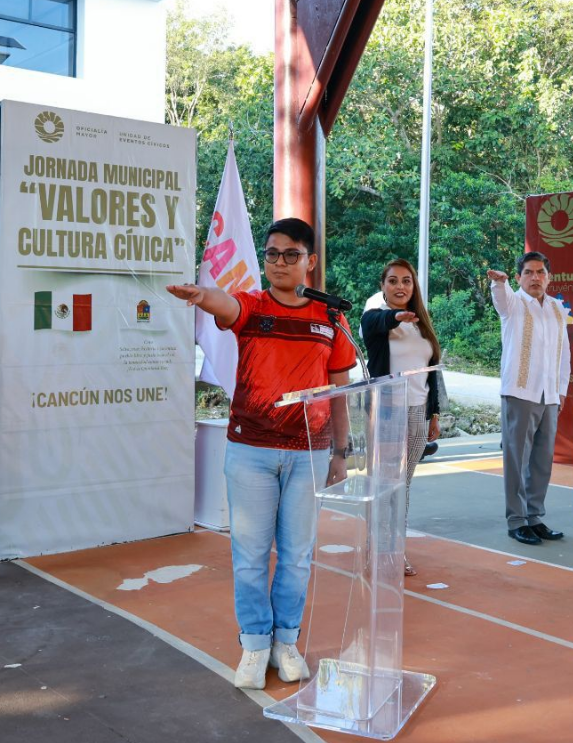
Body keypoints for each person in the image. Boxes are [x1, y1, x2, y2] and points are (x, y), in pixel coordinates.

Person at [166, 218, 354, 690]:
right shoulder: (253, 305)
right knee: (250, 554)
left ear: (310, 261)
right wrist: (201, 295)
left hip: (309, 452)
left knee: (296, 556)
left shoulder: (331, 318)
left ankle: (285, 641)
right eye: (272, 254)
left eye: (291, 254)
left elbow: (339, 388)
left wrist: (340, 450)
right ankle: (254, 644)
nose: (280, 263)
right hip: (251, 449)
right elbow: (225, 305)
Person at [361, 259, 443, 576]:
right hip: (387, 411)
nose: (400, 287)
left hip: (418, 413)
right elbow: (378, 322)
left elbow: (431, 373)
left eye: (406, 281)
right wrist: (395, 316)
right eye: (393, 281)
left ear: (414, 286)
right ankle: (376, 551)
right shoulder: (376, 320)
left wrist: (433, 413)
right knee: (384, 485)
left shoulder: (422, 324)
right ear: (383, 286)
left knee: (402, 486)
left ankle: (396, 550)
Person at [489, 252, 570, 546]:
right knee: (516, 458)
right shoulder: (513, 303)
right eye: (529, 272)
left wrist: (561, 391)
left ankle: (535, 517)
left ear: (548, 277)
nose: (535, 277)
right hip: (520, 392)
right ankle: (516, 520)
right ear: (520, 277)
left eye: (540, 272)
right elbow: (501, 298)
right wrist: (499, 284)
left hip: (549, 395)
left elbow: (565, 353)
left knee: (542, 460)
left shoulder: (557, 308)